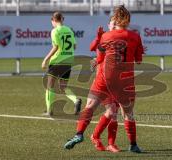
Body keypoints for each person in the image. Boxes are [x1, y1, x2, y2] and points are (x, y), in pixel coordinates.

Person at [64, 5, 143, 153]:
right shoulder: (135, 36)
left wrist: (98, 55)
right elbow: (138, 60)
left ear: (116, 20)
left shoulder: (106, 36)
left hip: (105, 78)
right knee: (127, 114)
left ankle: (79, 134)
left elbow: (99, 56)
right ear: (128, 20)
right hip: (125, 80)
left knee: (91, 107)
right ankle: (133, 145)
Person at [42, 12, 82, 116]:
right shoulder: (69, 30)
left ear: (53, 20)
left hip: (57, 61)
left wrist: (46, 59)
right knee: (63, 87)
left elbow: (55, 47)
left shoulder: (55, 31)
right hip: (68, 61)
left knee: (50, 86)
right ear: (62, 19)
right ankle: (76, 100)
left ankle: (49, 110)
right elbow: (74, 46)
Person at [89, 21, 121, 153]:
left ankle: (110, 144)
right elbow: (92, 48)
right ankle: (95, 136)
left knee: (114, 114)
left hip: (117, 81)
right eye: (112, 24)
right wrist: (98, 37)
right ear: (109, 25)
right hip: (103, 81)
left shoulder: (121, 39)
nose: (114, 27)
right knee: (110, 110)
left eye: (116, 24)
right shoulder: (105, 37)